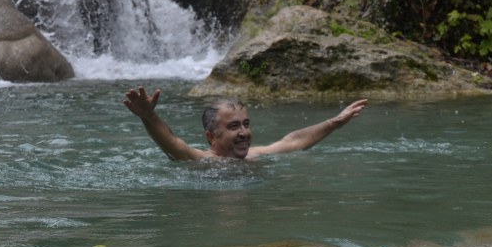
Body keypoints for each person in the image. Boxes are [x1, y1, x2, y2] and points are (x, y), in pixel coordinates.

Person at [123, 86, 368, 161]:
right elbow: (172, 144)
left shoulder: (255, 155)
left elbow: (293, 141)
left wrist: (335, 122)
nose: (244, 133)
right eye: (233, 126)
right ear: (211, 137)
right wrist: (148, 116)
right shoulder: (204, 161)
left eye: (246, 124)